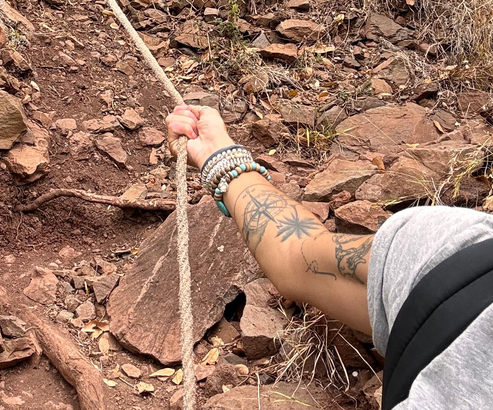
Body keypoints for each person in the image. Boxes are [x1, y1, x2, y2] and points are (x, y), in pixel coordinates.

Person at [165, 104, 493, 410]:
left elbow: (298, 253)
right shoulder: (462, 258)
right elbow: (298, 254)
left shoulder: (460, 255)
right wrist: (216, 154)